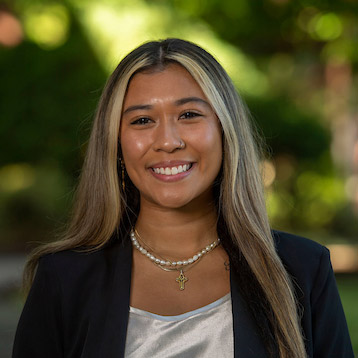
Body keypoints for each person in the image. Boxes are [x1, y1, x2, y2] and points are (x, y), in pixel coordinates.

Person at [13, 38, 353, 358]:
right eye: (142, 120)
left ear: (224, 129)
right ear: (116, 144)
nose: (168, 141)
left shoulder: (303, 269)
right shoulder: (63, 278)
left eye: (189, 115)